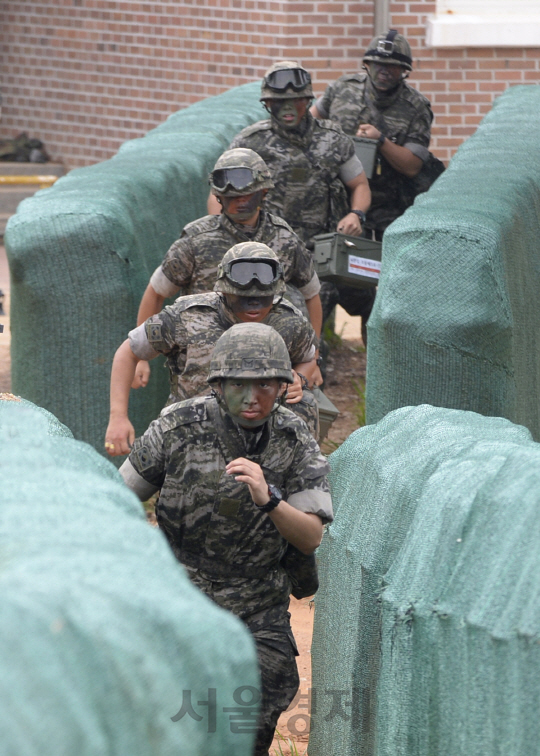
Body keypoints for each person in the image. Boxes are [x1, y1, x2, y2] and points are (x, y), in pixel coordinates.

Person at [118, 322, 333, 755]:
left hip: (257, 603)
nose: (252, 397)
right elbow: (118, 497)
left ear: (281, 385)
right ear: (218, 385)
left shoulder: (294, 439)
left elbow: (310, 538)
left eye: (264, 385)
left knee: (254, 709)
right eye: (238, 384)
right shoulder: (177, 426)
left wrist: (269, 498)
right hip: (181, 594)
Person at [105, 242, 321, 456]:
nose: (253, 306)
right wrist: (118, 417)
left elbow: (309, 357)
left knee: (305, 404)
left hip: (261, 437)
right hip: (190, 436)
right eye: (243, 298)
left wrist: (299, 378)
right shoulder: (185, 317)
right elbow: (128, 352)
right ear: (224, 291)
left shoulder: (289, 320)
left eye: (263, 299)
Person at [135, 147, 323, 388]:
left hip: (268, 365)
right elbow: (156, 291)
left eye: (247, 196)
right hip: (204, 365)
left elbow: (312, 293)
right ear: (219, 197)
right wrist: (142, 357)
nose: (240, 203)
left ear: (263, 192)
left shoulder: (285, 239)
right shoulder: (195, 242)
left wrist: (313, 357)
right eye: (232, 197)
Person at [211, 61, 371, 246]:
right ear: (268, 103)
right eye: (280, 102)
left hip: (321, 249)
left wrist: (356, 214)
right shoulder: (249, 142)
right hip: (266, 250)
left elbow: (360, 184)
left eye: (296, 100)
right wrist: (225, 238)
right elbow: (217, 194)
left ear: (307, 100)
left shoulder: (333, 139)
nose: (289, 108)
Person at [311, 29, 433, 240]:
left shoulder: (416, 107)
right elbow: (309, 124)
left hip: (386, 210)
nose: (384, 72)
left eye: (392, 67)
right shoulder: (343, 89)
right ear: (367, 65)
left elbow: (412, 165)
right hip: (333, 202)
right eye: (378, 65)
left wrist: (381, 141)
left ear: (404, 70)